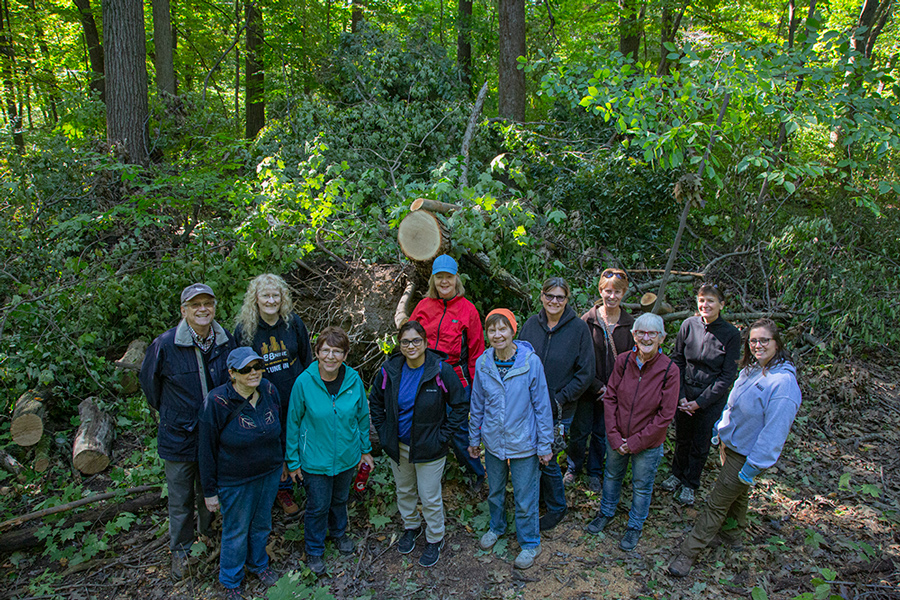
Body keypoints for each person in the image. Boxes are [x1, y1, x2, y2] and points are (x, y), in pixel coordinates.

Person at [669, 319, 802, 577]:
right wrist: (720, 428)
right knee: (737, 494)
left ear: (777, 343)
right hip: (730, 445)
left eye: (764, 340)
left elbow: (775, 432)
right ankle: (732, 535)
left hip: (747, 455)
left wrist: (754, 466)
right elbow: (733, 405)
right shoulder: (752, 369)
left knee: (717, 502)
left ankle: (687, 553)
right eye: (753, 340)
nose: (758, 345)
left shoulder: (783, 384)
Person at [140, 283, 236, 580]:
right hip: (179, 435)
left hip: (215, 434)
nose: (203, 309)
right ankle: (181, 551)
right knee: (180, 498)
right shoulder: (166, 344)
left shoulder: (225, 341)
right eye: (195, 305)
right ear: (184, 311)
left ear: (215, 307)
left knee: (209, 489)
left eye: (207, 303)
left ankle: (206, 538)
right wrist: (174, 413)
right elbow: (150, 386)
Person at [369, 321, 468, 567]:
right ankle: (411, 526)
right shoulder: (389, 370)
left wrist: (443, 436)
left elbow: (460, 404)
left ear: (425, 343)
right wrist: (384, 432)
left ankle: (435, 537)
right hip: (398, 445)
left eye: (416, 341)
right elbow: (375, 403)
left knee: (429, 495)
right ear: (399, 345)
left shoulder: (440, 370)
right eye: (405, 341)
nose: (411, 346)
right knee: (404, 490)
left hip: (430, 446)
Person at [468, 309, 553, 570]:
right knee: (494, 491)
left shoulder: (530, 362)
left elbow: (542, 406)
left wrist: (545, 444)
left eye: (502, 329)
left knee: (525, 497)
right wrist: (474, 438)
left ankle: (530, 543)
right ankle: (497, 527)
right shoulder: (484, 363)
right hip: (493, 441)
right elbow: (477, 403)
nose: (497, 334)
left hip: (524, 442)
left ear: (512, 330)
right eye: (492, 330)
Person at [285, 326, 374, 576]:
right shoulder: (304, 382)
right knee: (318, 505)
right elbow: (292, 423)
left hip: (347, 456)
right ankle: (314, 549)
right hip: (314, 459)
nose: (331, 357)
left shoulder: (353, 379)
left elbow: (362, 416)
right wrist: (292, 462)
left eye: (337, 351)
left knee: (339, 500)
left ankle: (338, 534)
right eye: (325, 350)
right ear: (317, 352)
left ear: (345, 355)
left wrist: (365, 450)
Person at [586, 312, 679, 551]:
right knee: (612, 475)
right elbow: (611, 398)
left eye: (652, 333)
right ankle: (605, 512)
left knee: (642, 485)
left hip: (647, 444)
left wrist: (635, 442)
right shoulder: (624, 361)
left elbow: (665, 415)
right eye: (640, 333)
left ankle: (635, 525)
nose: (646, 338)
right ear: (633, 335)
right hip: (617, 437)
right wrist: (615, 436)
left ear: (662, 337)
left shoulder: (669, 370)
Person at [199, 348, 282, 599]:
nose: (254, 373)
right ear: (232, 373)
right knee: (236, 529)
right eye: (246, 369)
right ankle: (230, 579)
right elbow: (205, 450)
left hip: (269, 472)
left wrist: (284, 463)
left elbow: (281, 425)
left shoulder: (268, 390)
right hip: (234, 480)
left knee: (261, 523)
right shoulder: (217, 402)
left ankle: (258, 564)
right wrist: (210, 491)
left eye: (257, 366)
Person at [234, 273, 313, 518]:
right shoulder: (246, 329)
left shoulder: (293, 323)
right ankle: (282, 489)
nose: (270, 300)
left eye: (275, 295)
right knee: (272, 442)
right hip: (263, 397)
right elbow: (238, 367)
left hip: (293, 392)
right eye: (265, 295)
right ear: (255, 299)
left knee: (300, 436)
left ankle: (306, 482)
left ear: (282, 298)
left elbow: (306, 357)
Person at [519, 277, 595, 530]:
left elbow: (585, 373)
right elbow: (518, 361)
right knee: (530, 453)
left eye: (560, 297)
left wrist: (560, 398)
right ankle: (539, 498)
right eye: (549, 296)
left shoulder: (578, 329)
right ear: (541, 296)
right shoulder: (531, 325)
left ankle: (557, 506)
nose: (554, 301)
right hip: (528, 405)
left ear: (567, 300)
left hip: (560, 408)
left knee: (548, 457)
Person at [660, 284, 741, 506]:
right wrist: (681, 396)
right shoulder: (689, 325)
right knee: (682, 438)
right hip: (685, 392)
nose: (705, 305)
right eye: (702, 300)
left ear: (721, 305)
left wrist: (700, 402)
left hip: (710, 398)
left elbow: (727, 376)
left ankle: (690, 483)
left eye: (711, 301)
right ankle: (677, 474)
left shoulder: (731, 334)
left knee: (700, 442)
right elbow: (677, 360)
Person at [409, 254, 486, 487]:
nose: (444, 282)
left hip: (456, 376)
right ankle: (431, 474)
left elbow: (476, 351)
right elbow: (408, 340)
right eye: (439, 277)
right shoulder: (423, 306)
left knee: (459, 430)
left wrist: (476, 387)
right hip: (425, 375)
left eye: (448, 277)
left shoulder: (468, 310)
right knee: (425, 425)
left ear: (456, 279)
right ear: (433, 280)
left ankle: (477, 473)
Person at [568, 268, 635, 493]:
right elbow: (578, 357)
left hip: (614, 393)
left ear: (624, 293)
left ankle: (594, 472)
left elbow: (631, 363)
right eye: (608, 291)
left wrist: (614, 389)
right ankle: (574, 466)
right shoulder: (587, 321)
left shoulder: (630, 325)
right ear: (600, 291)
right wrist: (597, 385)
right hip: (588, 389)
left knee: (601, 434)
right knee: (580, 431)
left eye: (617, 292)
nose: (612, 296)